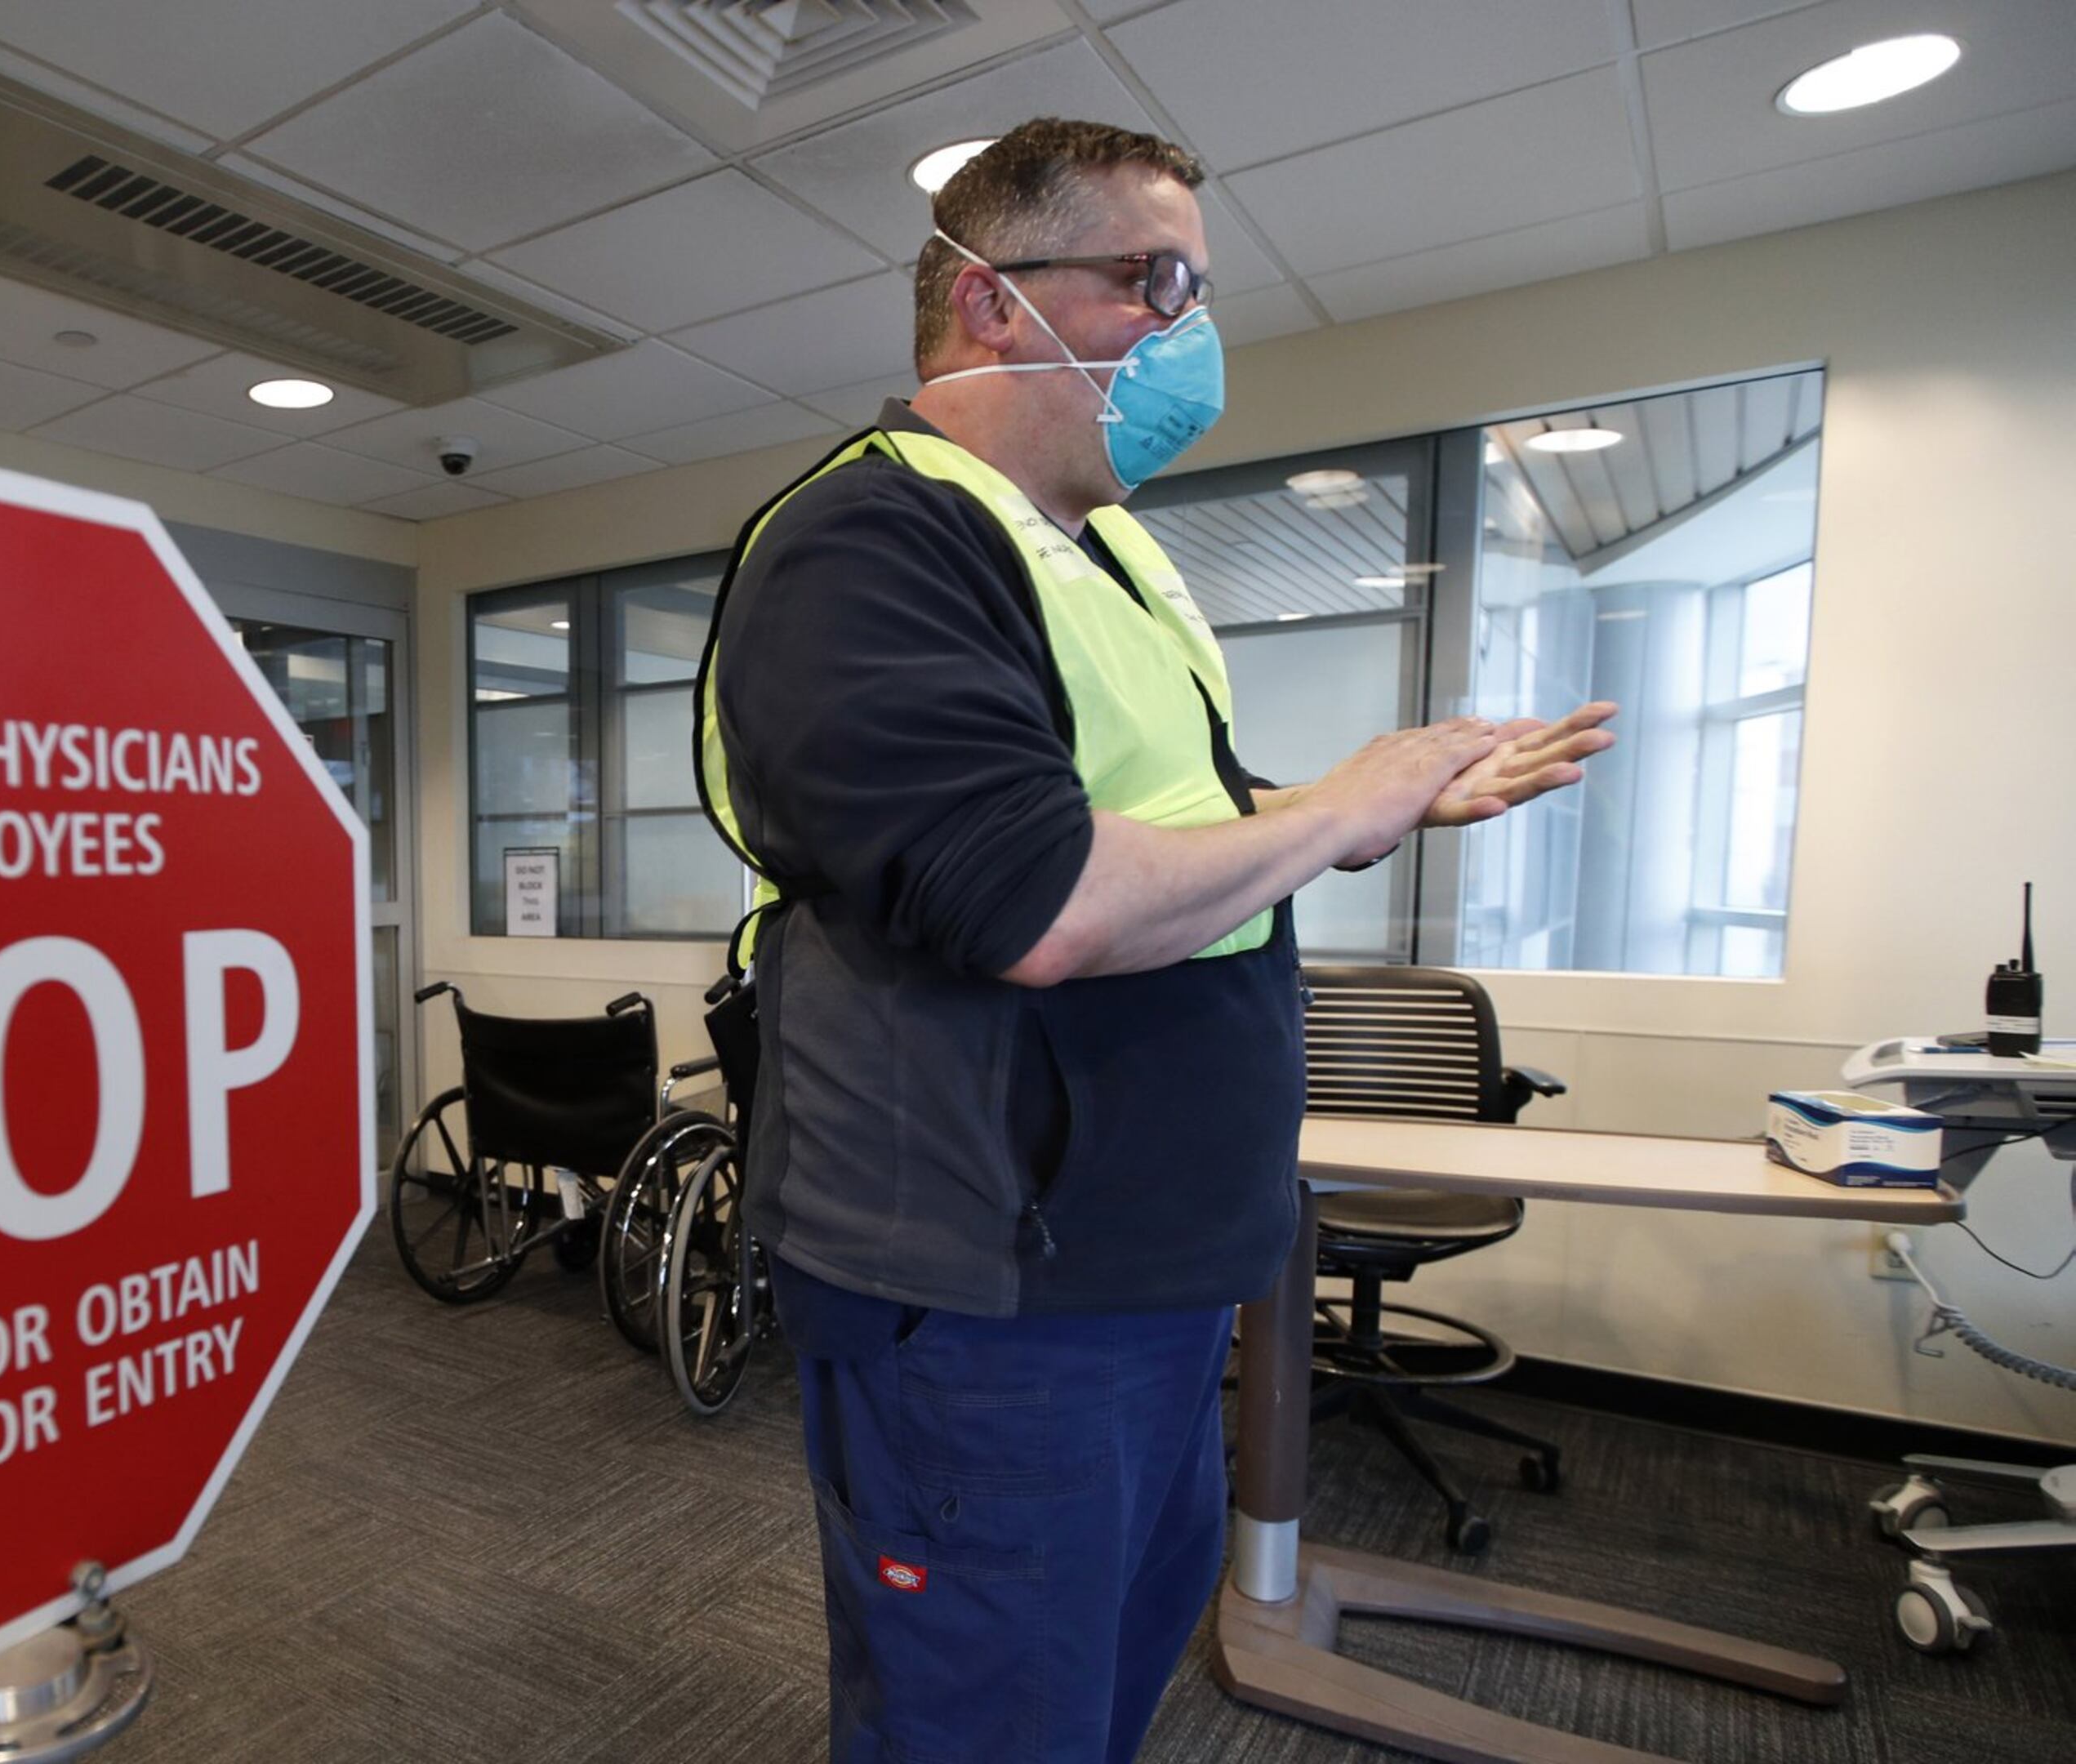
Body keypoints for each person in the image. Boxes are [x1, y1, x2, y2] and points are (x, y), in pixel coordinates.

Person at [690, 118, 1615, 1763]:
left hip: (1145, 1272)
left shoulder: (1104, 557)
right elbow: (1033, 901)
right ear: (989, 303)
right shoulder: (870, 542)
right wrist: (1341, 806)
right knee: (988, 1724)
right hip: (987, 1300)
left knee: (1094, 1706)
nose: (1189, 334)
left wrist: (1387, 803)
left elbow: (1167, 815)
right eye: (1153, 280)